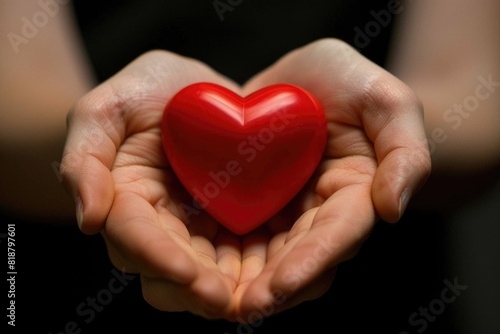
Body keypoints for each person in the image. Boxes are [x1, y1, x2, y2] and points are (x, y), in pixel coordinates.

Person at [1, 0, 498, 331]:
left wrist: (383, 134)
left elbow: (479, 99)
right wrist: (99, 143)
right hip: (75, 279)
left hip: (384, 292)